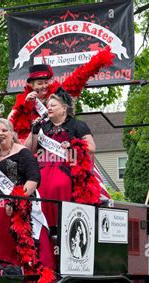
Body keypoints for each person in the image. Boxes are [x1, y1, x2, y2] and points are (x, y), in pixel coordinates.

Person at [0, 118, 55, 283]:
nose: (0, 134)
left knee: (15, 253)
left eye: (4, 130)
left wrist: (17, 199)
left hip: (16, 210)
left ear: (12, 133)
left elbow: (34, 179)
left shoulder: (23, 153)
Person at [25, 88, 99, 229]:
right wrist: (34, 132)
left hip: (67, 169)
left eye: (53, 105)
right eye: (48, 106)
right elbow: (29, 150)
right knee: (38, 188)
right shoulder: (43, 126)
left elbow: (92, 147)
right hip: (43, 169)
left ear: (64, 108)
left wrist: (73, 145)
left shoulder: (77, 125)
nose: (49, 108)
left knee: (59, 184)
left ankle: (60, 225)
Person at [9, 47, 114, 143]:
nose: (44, 86)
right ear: (31, 85)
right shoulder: (23, 103)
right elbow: (11, 125)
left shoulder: (57, 93)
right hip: (34, 149)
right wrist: (25, 104)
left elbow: (78, 78)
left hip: (59, 144)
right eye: (40, 83)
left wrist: (97, 62)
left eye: (46, 82)